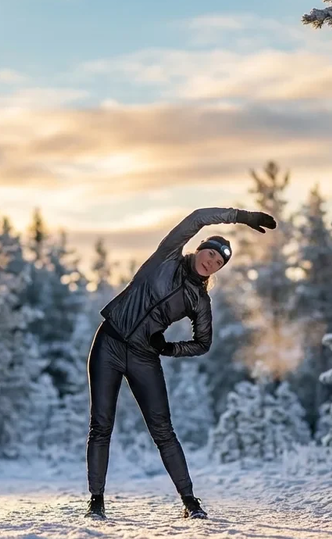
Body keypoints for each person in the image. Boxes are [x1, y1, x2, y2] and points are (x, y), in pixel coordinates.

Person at [84, 207, 277, 520]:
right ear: (199, 248)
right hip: (110, 342)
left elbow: (203, 343)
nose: (211, 262)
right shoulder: (168, 256)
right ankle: (97, 501)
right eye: (210, 254)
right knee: (101, 424)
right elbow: (198, 217)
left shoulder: (199, 300)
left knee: (163, 431)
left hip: (144, 356)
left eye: (218, 263)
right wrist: (241, 217)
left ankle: (190, 502)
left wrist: (170, 348)